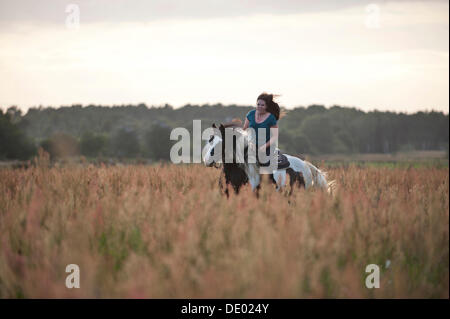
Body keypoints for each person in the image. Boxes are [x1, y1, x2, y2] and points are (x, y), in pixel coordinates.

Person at [243, 92, 281, 168]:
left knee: (265, 164)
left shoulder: (271, 118)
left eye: (262, 105)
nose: (259, 106)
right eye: (258, 104)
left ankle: (269, 179)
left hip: (266, 147)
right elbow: (244, 130)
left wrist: (264, 147)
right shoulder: (250, 114)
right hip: (251, 145)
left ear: (267, 106)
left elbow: (274, 137)